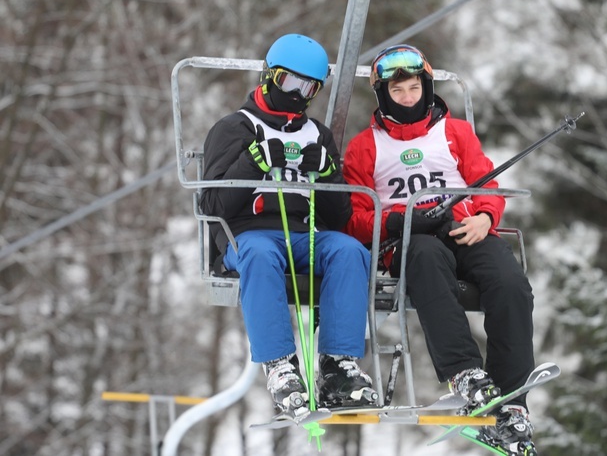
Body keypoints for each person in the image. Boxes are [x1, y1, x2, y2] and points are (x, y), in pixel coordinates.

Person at [343, 44, 536, 453]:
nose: (409, 98)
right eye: (399, 93)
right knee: (427, 260)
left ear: (426, 86)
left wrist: (485, 216)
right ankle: (466, 375)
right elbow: (353, 217)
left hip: (464, 227)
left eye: (415, 88)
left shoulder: (456, 132)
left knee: (511, 283)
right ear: (383, 96)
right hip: (410, 238)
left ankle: (510, 402)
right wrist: (394, 221)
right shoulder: (365, 148)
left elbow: (486, 183)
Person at [200, 34, 376, 417]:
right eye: (289, 82)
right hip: (247, 234)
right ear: (268, 77)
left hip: (304, 234)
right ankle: (280, 364)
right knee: (260, 253)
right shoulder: (234, 129)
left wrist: (328, 174)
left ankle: (337, 365)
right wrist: (254, 162)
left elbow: (339, 217)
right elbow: (211, 204)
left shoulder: (318, 135)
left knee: (349, 251)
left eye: (309, 87)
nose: (298, 94)